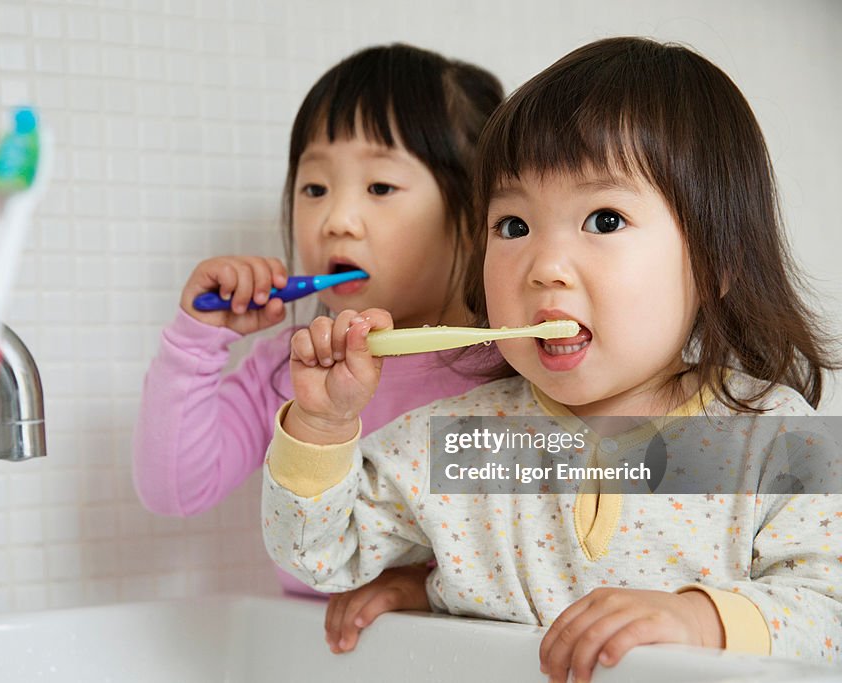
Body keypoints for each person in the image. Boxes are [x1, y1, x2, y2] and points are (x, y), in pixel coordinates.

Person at [261, 36, 841, 680]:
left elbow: (831, 617)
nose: (545, 268)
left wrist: (702, 619)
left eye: (603, 220)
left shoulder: (776, 438)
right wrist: (321, 426)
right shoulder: (459, 442)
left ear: (716, 260)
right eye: (513, 226)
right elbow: (317, 555)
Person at [133, 44, 505, 598]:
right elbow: (173, 491)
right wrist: (197, 340)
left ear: (478, 214)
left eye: (380, 187)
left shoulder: (507, 367)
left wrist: (419, 588)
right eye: (314, 189)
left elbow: (548, 540)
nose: (336, 221)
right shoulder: (289, 369)